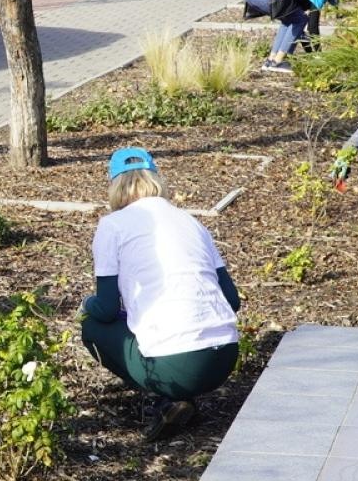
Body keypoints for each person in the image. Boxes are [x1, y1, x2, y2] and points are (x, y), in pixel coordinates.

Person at [80, 148, 241, 441]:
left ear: (114, 185)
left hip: (175, 364)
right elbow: (232, 300)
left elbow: (106, 307)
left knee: (92, 327)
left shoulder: (112, 225)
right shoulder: (190, 221)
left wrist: (86, 304)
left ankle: (166, 398)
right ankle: (180, 399)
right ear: (155, 179)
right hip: (224, 359)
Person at [243, 0, 340, 74]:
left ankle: (270, 61)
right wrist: (319, 55)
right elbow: (313, 28)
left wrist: (310, 53)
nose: (325, 1)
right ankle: (278, 62)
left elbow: (300, 33)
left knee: (290, 20)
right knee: (300, 19)